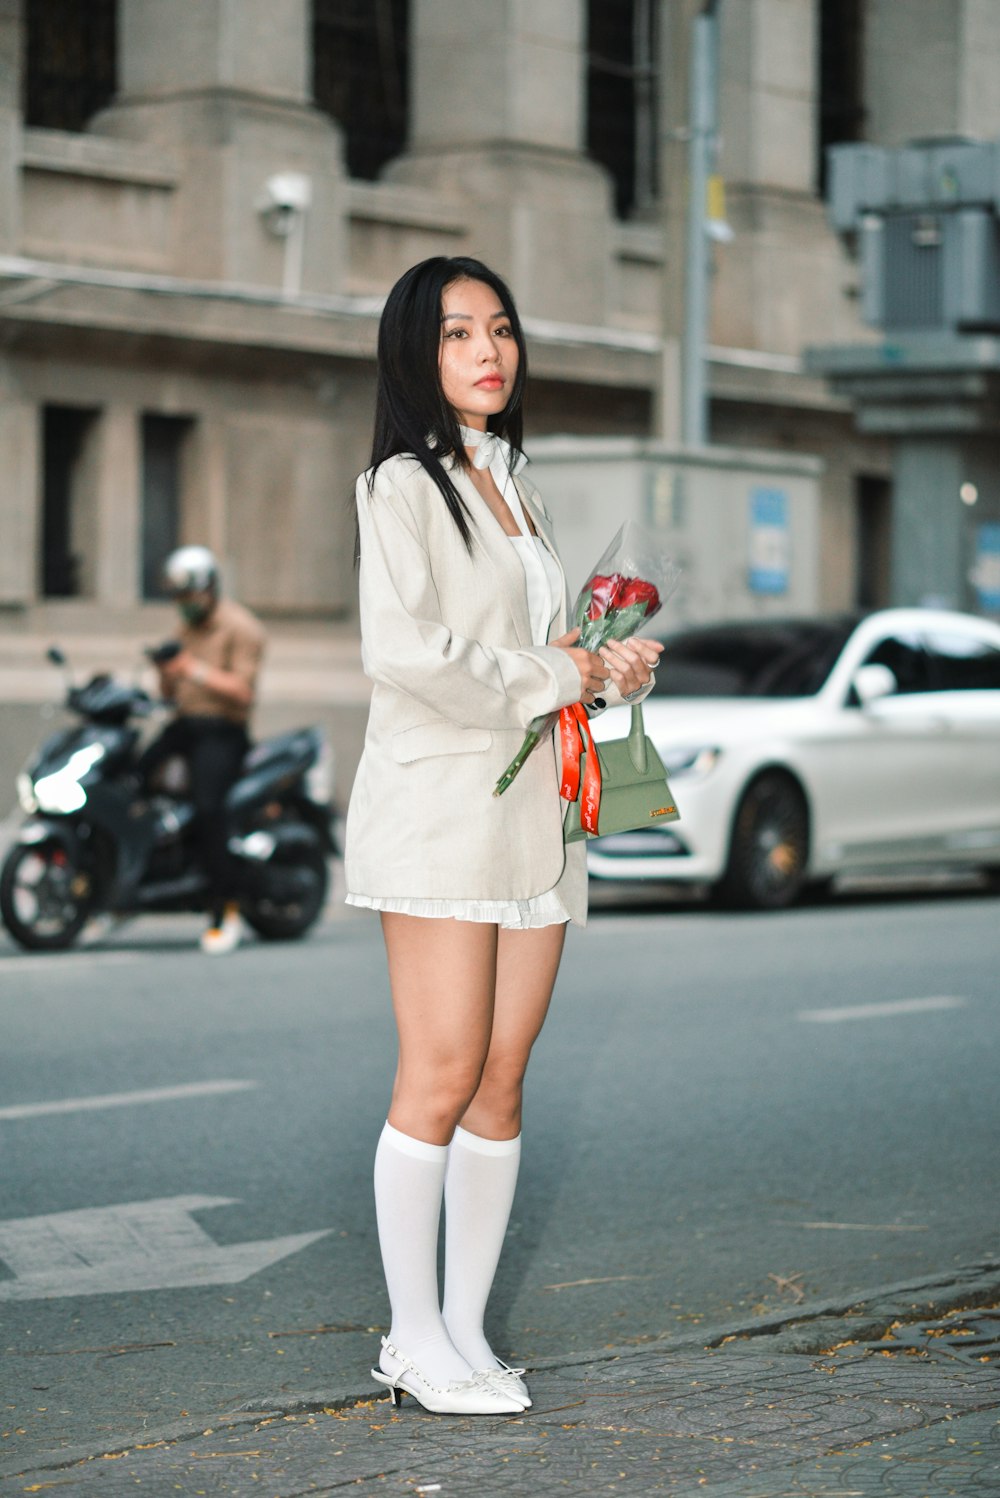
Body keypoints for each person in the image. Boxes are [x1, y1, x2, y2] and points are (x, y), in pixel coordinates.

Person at [345, 256, 663, 1415]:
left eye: (501, 329)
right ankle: (410, 1336)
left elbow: (541, 663)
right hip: (437, 810)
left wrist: (606, 667)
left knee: (501, 1080)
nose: (487, 351)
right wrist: (560, 667)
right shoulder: (399, 487)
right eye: (457, 334)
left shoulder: (516, 482)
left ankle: (466, 1332)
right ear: (414, 357)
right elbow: (409, 654)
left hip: (538, 813)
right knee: (436, 1075)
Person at [145, 545, 266, 955]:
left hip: (223, 731)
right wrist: (163, 673)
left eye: (188, 597)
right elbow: (168, 691)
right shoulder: (184, 630)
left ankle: (224, 906)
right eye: (177, 599)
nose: (183, 606)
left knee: (209, 807)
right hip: (184, 725)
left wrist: (191, 669)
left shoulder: (241, 627)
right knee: (135, 776)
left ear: (209, 588)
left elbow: (243, 693)